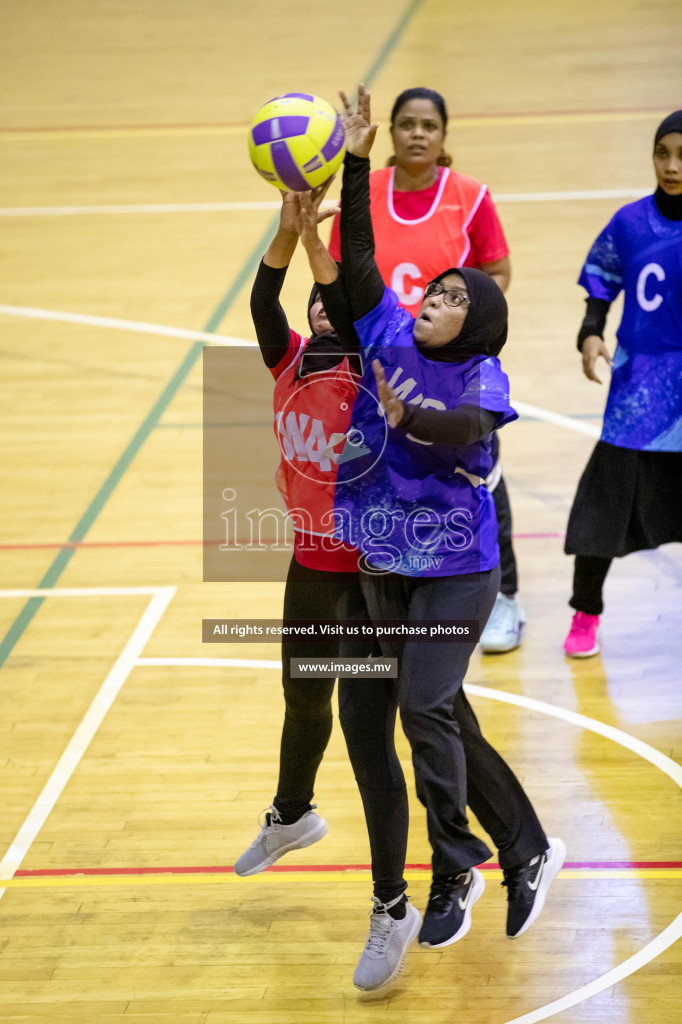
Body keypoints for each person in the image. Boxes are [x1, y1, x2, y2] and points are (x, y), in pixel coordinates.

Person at [298, 85, 564, 969]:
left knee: (422, 704)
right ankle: (522, 849)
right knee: (426, 706)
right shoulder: (383, 333)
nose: (433, 294)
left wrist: (408, 416)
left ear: (476, 326)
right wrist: (356, 160)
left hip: (455, 570)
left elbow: (462, 432)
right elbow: (362, 254)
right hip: (385, 565)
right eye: (436, 287)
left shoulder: (479, 381)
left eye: (452, 294)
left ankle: (457, 865)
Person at [235, 187, 416, 993]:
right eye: (314, 302)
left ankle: (393, 904)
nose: (318, 310)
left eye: (330, 299)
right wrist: (284, 233)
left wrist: (323, 248)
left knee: (367, 741)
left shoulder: (382, 367)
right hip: (310, 563)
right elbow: (261, 298)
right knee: (301, 699)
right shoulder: (289, 359)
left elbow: (349, 289)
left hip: (372, 580)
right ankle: (291, 815)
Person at [328, 86, 524, 654]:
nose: (417, 133)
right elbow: (350, 273)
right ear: (390, 132)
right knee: (386, 468)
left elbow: (498, 274)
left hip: (451, 362)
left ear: (443, 136)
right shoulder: (367, 196)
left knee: (482, 478)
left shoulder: (470, 196)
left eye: (429, 125)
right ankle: (398, 594)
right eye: (407, 123)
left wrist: (458, 333)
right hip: (385, 356)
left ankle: (503, 597)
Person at [563, 110, 682, 657]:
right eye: (663, 154)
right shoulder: (630, 223)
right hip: (638, 388)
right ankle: (586, 612)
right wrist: (591, 333)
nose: (672, 166)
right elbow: (601, 283)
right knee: (606, 504)